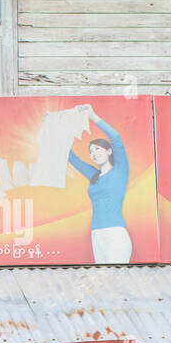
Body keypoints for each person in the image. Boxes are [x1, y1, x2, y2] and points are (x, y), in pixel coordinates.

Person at [68, 105, 131, 264]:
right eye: (91, 152)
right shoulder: (93, 175)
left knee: (117, 282)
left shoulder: (120, 170)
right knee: (104, 285)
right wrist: (54, 130)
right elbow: (71, 158)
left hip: (115, 234)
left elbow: (115, 137)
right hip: (96, 235)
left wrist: (92, 115)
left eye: (97, 149)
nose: (94, 154)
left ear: (109, 151)